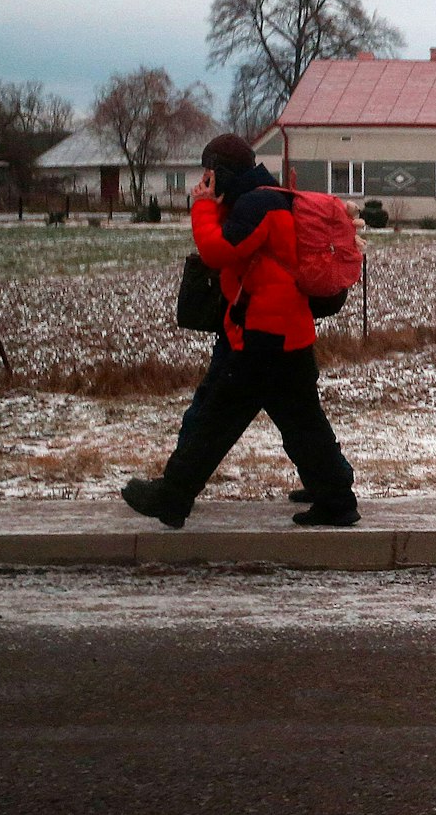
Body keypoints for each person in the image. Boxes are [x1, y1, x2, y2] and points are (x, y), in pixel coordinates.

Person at [120, 134, 359, 528]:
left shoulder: (256, 205)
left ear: (224, 171)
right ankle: (336, 499)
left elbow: (218, 251)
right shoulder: (266, 197)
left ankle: (172, 496)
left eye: (210, 173)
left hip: (263, 336)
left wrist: (201, 208)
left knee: (217, 418)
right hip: (285, 333)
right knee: (302, 422)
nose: (206, 180)